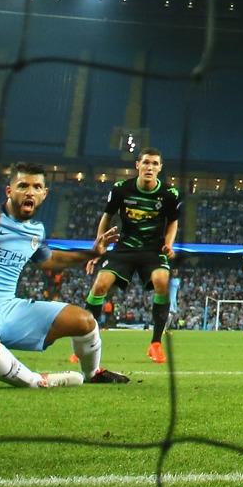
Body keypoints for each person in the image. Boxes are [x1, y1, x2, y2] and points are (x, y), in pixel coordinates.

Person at [0, 162, 129, 388]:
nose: (30, 192)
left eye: (37, 187)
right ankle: (37, 381)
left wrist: (92, 253)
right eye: (23, 186)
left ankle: (93, 373)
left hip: (8, 311)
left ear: (44, 194)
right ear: (9, 191)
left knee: (84, 321)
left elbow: (49, 260)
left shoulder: (35, 230)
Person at [81, 148, 182, 364]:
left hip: (153, 249)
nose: (150, 167)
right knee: (99, 285)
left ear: (160, 168)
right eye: (146, 162)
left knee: (162, 281)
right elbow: (106, 217)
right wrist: (98, 247)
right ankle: (86, 342)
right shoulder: (121, 189)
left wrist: (168, 244)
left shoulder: (169, 194)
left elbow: (173, 221)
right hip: (124, 247)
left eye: (155, 163)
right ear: (138, 165)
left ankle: (155, 344)